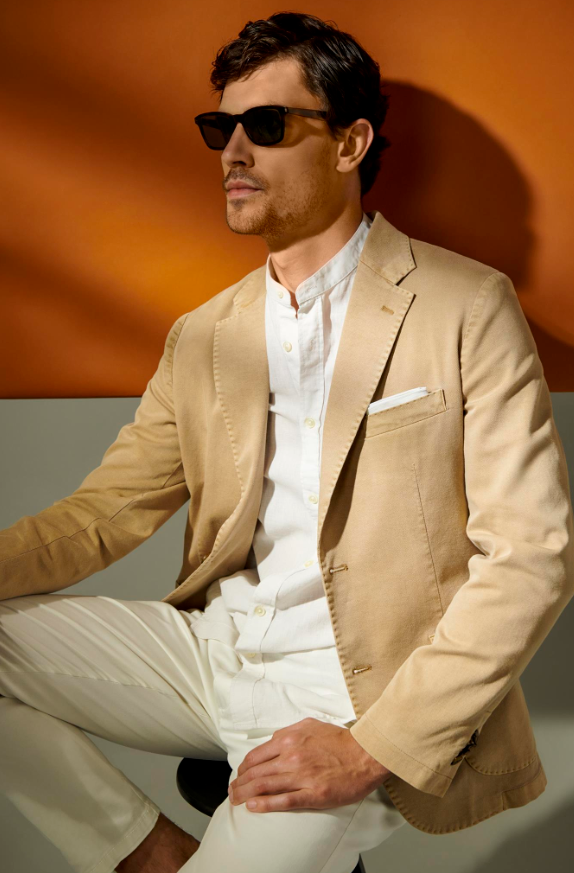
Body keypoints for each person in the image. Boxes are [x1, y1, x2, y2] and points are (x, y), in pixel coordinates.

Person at [1, 11, 573, 873]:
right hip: (214, 653)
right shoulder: (203, 334)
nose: (233, 152)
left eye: (265, 125)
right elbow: (103, 514)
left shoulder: (464, 305)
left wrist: (372, 745)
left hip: (355, 691)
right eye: (220, 128)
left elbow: (531, 557)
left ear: (349, 144)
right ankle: (149, 854)